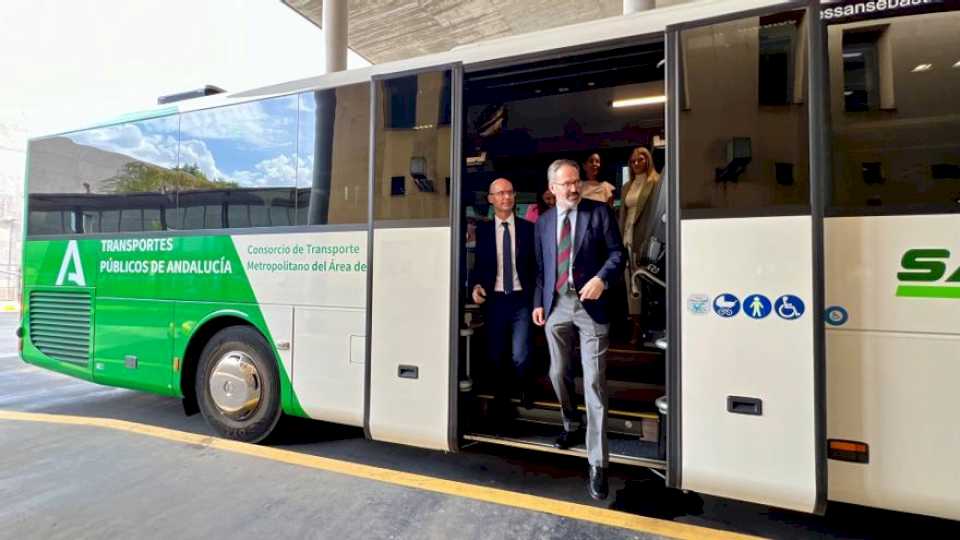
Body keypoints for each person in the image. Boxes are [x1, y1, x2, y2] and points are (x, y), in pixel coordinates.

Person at [532, 159, 624, 500]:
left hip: (592, 306)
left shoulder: (598, 213)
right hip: (556, 305)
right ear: (552, 188)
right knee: (558, 373)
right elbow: (541, 268)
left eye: (576, 183)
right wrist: (538, 302)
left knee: (595, 383)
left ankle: (598, 464)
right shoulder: (542, 223)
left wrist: (602, 278)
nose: (573, 189)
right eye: (566, 184)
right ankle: (571, 423)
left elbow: (618, 254)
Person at [472, 178, 537, 419]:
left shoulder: (529, 228)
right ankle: (502, 397)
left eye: (510, 192)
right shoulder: (484, 231)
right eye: (500, 193)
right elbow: (478, 266)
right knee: (496, 353)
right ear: (491, 199)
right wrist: (476, 286)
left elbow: (536, 267)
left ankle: (525, 388)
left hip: (521, 299)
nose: (506, 197)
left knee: (520, 353)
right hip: (495, 300)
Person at [619, 146, 661, 344]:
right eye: (633, 161)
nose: (636, 163)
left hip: (645, 240)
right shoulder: (627, 186)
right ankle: (636, 328)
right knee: (631, 287)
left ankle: (647, 328)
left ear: (648, 160)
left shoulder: (656, 181)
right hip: (627, 239)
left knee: (646, 285)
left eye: (641, 159)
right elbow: (623, 216)